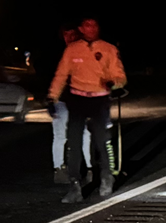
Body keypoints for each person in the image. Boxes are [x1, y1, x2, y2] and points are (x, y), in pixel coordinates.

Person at [49, 16, 126, 204]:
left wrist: (113, 82)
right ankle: (75, 185)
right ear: (81, 29)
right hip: (77, 99)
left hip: (99, 99)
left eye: (94, 25)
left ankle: (107, 177)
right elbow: (61, 74)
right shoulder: (72, 49)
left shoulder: (109, 49)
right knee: (73, 142)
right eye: (87, 25)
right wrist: (52, 97)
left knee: (102, 140)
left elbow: (120, 76)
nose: (91, 28)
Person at [49, 25, 92, 184]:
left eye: (72, 34)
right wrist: (50, 101)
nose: (69, 38)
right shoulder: (58, 55)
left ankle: (89, 168)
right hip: (61, 100)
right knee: (61, 136)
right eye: (66, 35)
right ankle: (59, 169)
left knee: (85, 134)